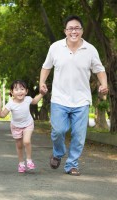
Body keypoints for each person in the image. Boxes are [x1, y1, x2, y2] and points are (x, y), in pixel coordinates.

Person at [39, 15, 108, 176]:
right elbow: (46, 67)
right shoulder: (55, 47)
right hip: (59, 98)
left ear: (82, 31)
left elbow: (100, 70)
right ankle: (58, 152)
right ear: (65, 31)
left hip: (81, 100)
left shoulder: (90, 50)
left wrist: (104, 84)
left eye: (77, 28)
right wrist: (42, 82)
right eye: (70, 28)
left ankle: (71, 165)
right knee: (58, 131)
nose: (74, 31)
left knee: (78, 135)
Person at [0, 80, 44, 173]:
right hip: (16, 126)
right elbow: (3, 114)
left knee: (26, 141)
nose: (20, 91)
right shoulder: (10, 104)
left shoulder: (27, 99)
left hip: (28, 124)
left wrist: (41, 94)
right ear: (12, 92)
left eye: (22, 89)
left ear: (26, 91)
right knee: (19, 146)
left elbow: (35, 101)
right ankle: (21, 163)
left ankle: (29, 160)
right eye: (16, 89)